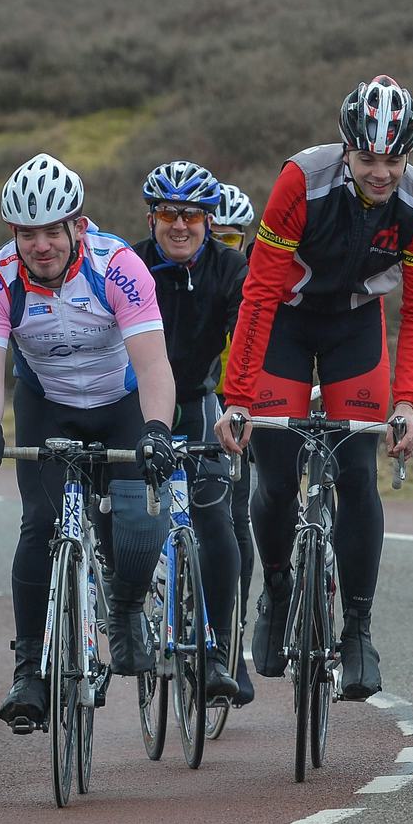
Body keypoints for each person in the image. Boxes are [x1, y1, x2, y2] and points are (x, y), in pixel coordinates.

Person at [213, 75, 413, 702]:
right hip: (285, 320)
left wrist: (406, 403)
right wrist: (237, 397)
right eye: (367, 159)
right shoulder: (301, 181)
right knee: (276, 472)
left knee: (358, 472)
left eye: (393, 160)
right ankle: (278, 586)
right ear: (347, 149)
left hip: (354, 326)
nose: (380, 173)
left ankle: (358, 630)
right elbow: (259, 292)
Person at [0, 153, 176, 732]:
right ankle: (29, 670)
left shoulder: (120, 267)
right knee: (40, 524)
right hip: (47, 407)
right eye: (27, 234)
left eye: (52, 231)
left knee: (136, 525)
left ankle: (125, 610)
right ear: (14, 234)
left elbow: (154, 366)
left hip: (120, 404)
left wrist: (156, 431)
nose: (41, 245)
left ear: (77, 226)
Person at [133, 160, 248, 705]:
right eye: (169, 214)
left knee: (214, 516)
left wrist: (240, 404)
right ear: (152, 218)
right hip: (133, 401)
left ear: (208, 220)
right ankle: (127, 615)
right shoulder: (129, 264)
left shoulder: (230, 267)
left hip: (199, 400)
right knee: (124, 513)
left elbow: (246, 340)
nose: (180, 226)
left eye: (193, 215)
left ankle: (218, 653)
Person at [210, 181, 258, 699]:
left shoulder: (254, 278)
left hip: (242, 406)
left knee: (236, 516)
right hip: (190, 396)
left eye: (230, 239)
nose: (222, 247)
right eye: (214, 236)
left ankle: (230, 646)